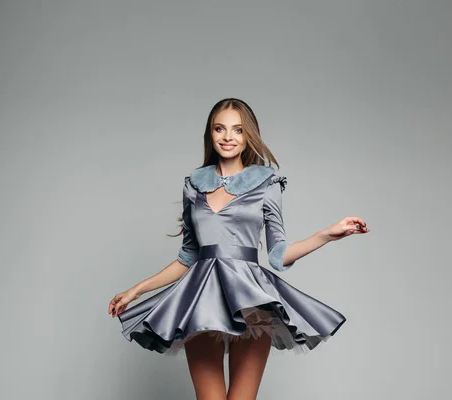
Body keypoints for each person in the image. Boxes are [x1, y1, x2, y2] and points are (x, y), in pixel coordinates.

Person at [108, 98, 369, 400]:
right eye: (220, 129)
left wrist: (328, 234)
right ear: (211, 134)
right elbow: (187, 257)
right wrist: (136, 290)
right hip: (200, 301)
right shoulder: (193, 185)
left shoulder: (266, 183)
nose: (228, 137)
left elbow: (278, 255)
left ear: (248, 136)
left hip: (251, 303)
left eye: (237, 130)